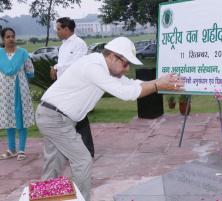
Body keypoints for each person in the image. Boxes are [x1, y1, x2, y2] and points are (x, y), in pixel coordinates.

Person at [35, 36, 184, 201]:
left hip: (54, 116)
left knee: (54, 165)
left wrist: (159, 81)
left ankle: (43, 199)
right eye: (125, 63)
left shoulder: (105, 68)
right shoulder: (94, 67)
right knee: (83, 160)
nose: (127, 69)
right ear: (113, 56)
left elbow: (131, 84)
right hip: (55, 118)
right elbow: (127, 94)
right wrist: (158, 85)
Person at [51, 17, 95, 158]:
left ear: (66, 28)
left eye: (58, 29)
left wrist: (57, 67)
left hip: (76, 86)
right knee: (69, 119)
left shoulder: (79, 44)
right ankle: (73, 150)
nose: (56, 32)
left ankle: (88, 150)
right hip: (64, 87)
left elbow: (77, 64)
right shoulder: (63, 46)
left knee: (80, 118)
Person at [0, 27, 35, 161]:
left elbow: (30, 71)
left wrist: (21, 79)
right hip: (4, 92)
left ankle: (21, 149)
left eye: (13, 36)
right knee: (8, 119)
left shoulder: (22, 53)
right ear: (3, 39)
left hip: (20, 91)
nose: (11, 39)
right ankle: (11, 149)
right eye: (8, 37)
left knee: (21, 119)